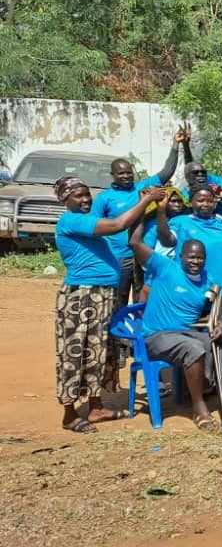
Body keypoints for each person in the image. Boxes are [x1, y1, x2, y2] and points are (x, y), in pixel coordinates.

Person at [53, 177, 163, 433]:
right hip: (82, 296)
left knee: (99, 350)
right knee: (75, 353)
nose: (85, 199)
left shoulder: (87, 222)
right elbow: (117, 224)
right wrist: (146, 199)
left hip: (100, 295)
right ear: (65, 199)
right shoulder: (71, 220)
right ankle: (69, 414)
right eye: (78, 195)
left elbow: (126, 227)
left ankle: (96, 406)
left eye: (86, 194)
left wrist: (145, 207)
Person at [129, 228, 222, 431]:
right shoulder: (165, 267)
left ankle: (200, 390)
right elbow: (135, 243)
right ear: (181, 257)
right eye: (191, 257)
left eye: (200, 258)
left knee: (211, 341)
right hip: (156, 336)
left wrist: (219, 324)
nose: (195, 262)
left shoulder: (208, 282)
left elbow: (209, 314)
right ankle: (199, 408)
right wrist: (144, 205)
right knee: (192, 347)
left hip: (185, 332)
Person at [91, 128, 183, 307]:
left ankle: (137, 334)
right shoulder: (104, 198)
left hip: (143, 254)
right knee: (119, 299)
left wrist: (175, 143)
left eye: (129, 172)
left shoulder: (144, 186)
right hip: (118, 256)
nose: (126, 176)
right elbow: (95, 227)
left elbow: (167, 171)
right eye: (121, 173)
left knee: (143, 299)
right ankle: (117, 334)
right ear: (113, 175)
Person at [161, 185, 222, 354]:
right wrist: (161, 211)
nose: (206, 204)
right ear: (190, 202)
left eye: (210, 200)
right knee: (198, 341)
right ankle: (200, 379)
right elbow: (167, 240)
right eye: (201, 200)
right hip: (196, 292)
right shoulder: (180, 222)